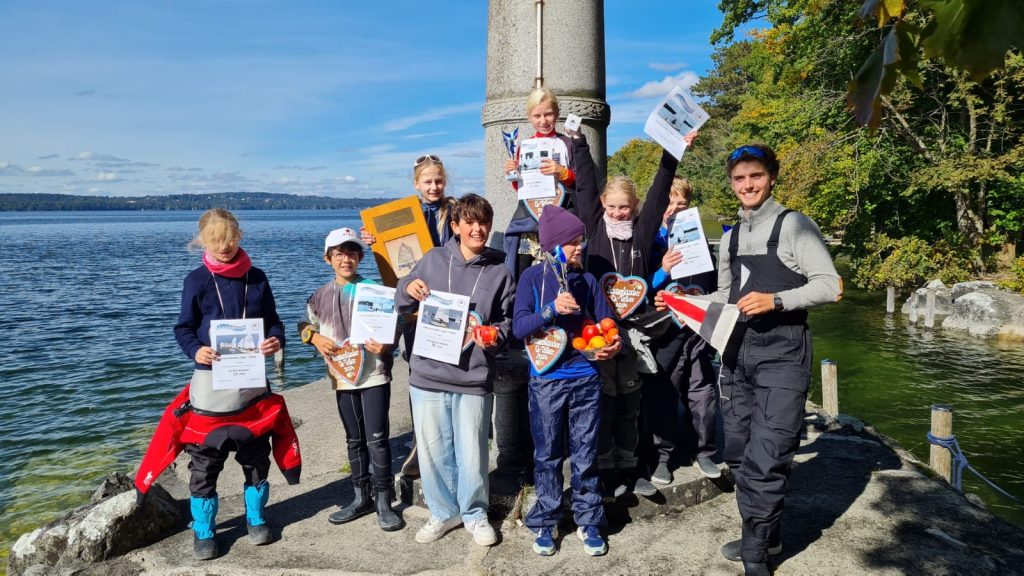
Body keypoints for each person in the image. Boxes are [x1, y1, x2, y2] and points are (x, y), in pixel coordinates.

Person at [659, 144, 841, 576]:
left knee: (768, 456)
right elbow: (727, 297)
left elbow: (831, 286)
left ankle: (757, 556)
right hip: (738, 356)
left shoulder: (794, 225)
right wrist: (688, 303)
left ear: (771, 177)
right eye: (739, 179)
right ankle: (764, 533)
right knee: (739, 454)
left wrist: (777, 300)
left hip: (783, 353)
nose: (747, 186)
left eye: (755, 176)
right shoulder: (732, 237)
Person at [572, 129, 698, 497]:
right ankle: (605, 466)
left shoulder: (643, 235)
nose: (616, 212)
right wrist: (578, 143)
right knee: (602, 403)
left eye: (623, 207)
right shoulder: (594, 229)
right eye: (611, 206)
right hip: (598, 332)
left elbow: (661, 191)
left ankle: (632, 464)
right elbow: (582, 185)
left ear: (635, 206)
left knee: (631, 401)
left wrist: (674, 150)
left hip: (633, 333)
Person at [394, 194, 515, 547]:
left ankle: (475, 514)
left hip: (474, 376)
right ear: (456, 226)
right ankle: (443, 512)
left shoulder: (500, 272)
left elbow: (508, 324)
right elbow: (401, 300)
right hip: (427, 374)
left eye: (484, 223)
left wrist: (497, 335)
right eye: (471, 223)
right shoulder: (432, 259)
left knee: (473, 451)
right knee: (433, 451)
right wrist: (407, 287)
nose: (478, 229)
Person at [171, 208, 289, 560]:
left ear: (240, 235)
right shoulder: (196, 280)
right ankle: (205, 530)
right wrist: (197, 350)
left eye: (229, 237)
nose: (224, 246)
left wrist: (274, 341)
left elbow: (274, 323)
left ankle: (256, 517)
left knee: (255, 454)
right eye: (215, 239)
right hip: (209, 385)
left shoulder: (258, 277)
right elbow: (183, 328)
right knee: (205, 459)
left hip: (252, 383)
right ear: (203, 242)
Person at [512, 204, 621, 557]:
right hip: (546, 379)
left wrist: (613, 343)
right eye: (572, 243)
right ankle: (545, 520)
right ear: (553, 246)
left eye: (581, 241)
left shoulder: (587, 281)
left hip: (585, 377)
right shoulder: (532, 278)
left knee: (586, 453)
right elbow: (519, 328)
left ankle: (588, 519)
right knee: (547, 454)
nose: (580, 248)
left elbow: (606, 323)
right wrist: (551, 310)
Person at [298, 227, 402, 531]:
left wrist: (387, 343)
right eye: (340, 253)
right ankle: (360, 497)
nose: (347, 259)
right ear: (327, 258)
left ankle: (384, 500)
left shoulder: (375, 290)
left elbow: (394, 328)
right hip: (341, 379)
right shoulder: (318, 296)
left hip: (374, 376)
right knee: (354, 439)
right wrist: (314, 338)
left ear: (360, 257)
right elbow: (304, 324)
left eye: (353, 253)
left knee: (378, 439)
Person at [361, 154, 457, 478]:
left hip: (442, 301)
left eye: (438, 180)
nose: (434, 186)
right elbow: (392, 259)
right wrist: (374, 241)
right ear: (416, 184)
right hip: (411, 305)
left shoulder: (453, 211)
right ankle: (420, 443)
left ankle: (447, 443)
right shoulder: (402, 215)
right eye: (427, 181)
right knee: (417, 371)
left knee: (445, 371)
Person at [643, 176, 719, 485]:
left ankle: (703, 450)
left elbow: (713, 286)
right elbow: (636, 290)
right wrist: (661, 273)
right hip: (664, 332)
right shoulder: (648, 241)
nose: (674, 209)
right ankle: (663, 456)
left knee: (703, 392)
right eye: (668, 203)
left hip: (696, 329)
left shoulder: (699, 242)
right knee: (663, 391)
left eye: (682, 204)